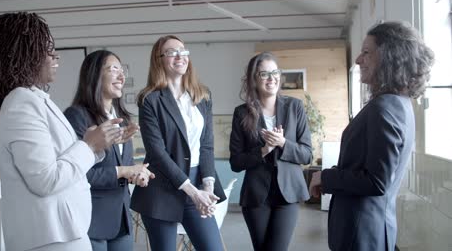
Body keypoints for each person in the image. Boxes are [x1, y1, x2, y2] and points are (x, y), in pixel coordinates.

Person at [0, 12, 126, 250]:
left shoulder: (33, 99)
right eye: (46, 50)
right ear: (21, 56)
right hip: (52, 237)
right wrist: (89, 145)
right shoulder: (22, 102)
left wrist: (94, 143)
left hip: (61, 232)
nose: (55, 56)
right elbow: (45, 179)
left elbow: (60, 161)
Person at [309, 21, 434, 251]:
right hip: (370, 228)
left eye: (366, 52)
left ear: (390, 57)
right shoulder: (399, 103)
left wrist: (325, 178)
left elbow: (376, 181)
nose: (358, 60)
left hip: (362, 233)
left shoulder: (384, 107)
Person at [130, 35, 226, 251]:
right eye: (172, 52)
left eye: (183, 51)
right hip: (162, 188)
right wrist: (193, 192)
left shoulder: (202, 95)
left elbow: (207, 145)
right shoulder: (149, 100)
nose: (180, 55)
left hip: (198, 184)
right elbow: (157, 153)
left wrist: (207, 187)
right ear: (159, 59)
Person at [64, 50, 155, 251]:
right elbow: (78, 174)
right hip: (92, 220)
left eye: (122, 70)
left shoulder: (120, 117)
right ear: (94, 75)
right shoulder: (76, 116)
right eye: (113, 69)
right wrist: (124, 171)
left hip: (121, 218)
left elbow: (122, 166)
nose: (121, 76)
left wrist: (136, 174)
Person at [229, 52, 313, 250]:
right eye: (264, 74)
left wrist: (284, 143)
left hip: (288, 194)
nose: (271, 78)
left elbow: (307, 154)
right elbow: (236, 162)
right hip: (256, 197)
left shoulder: (295, 107)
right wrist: (263, 150)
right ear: (253, 79)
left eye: (275, 72)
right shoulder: (242, 113)